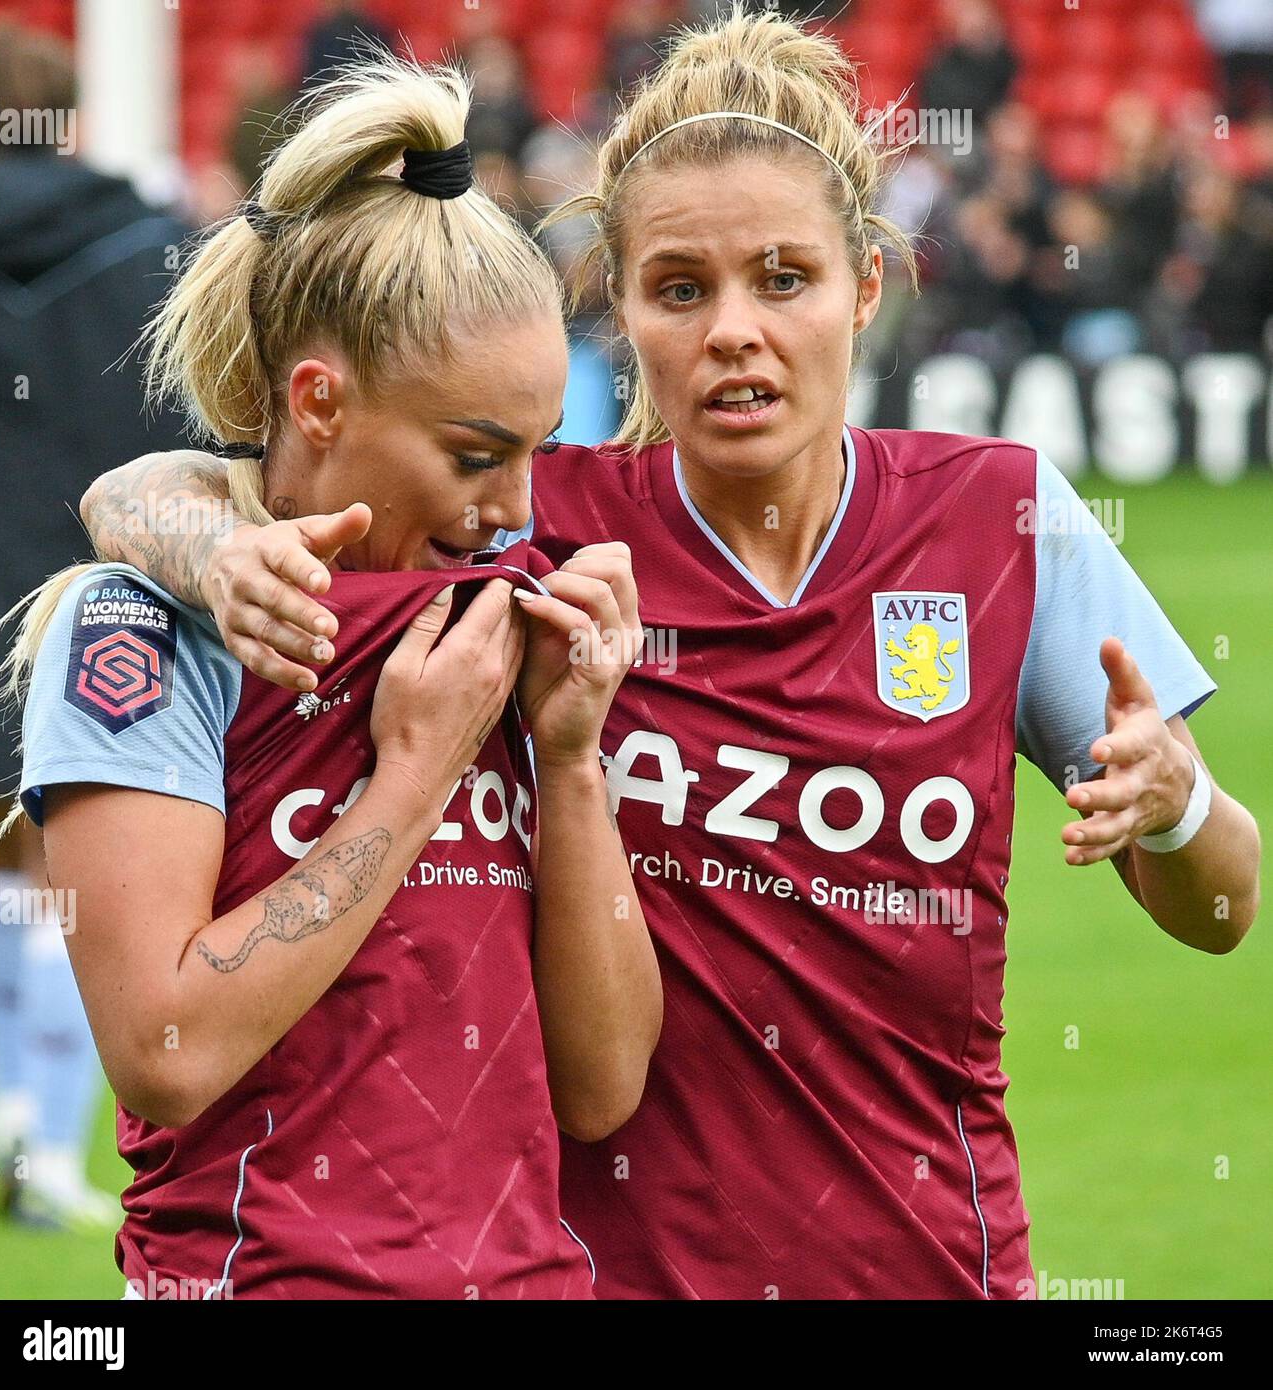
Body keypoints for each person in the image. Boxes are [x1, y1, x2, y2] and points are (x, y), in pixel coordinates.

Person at [79, 6, 1260, 1300]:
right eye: (682, 289)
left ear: (868, 282)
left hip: (936, 1266)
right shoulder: (542, 526)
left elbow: (1222, 907)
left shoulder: (1003, 514)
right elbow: (180, 485)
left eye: (786, 277)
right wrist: (197, 545)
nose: (734, 330)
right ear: (622, 304)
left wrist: (1173, 802)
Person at [3, 53, 660, 1299]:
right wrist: (410, 787)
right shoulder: (138, 633)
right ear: (316, 400)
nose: (512, 507)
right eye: (474, 454)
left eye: (536, 451)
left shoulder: (510, 624)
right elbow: (167, 1049)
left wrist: (570, 762)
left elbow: (603, 1086)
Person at [0, 18, 187, 1232]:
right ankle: (49, 1137)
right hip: (76, 604)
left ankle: (14, 1112)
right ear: (67, 118)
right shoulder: (143, 247)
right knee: (57, 878)